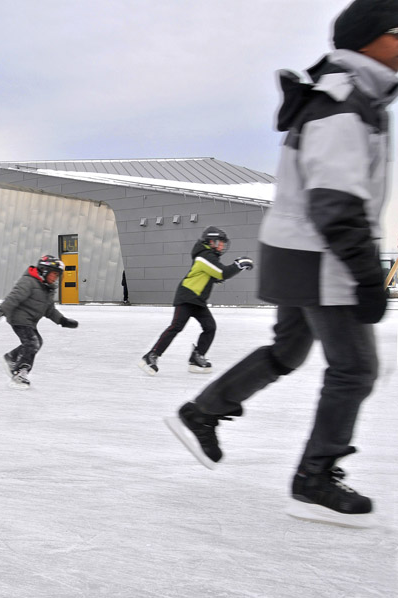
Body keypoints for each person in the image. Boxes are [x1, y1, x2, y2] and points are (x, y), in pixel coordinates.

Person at [165, 0, 394, 528]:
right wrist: (366, 274)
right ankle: (314, 477)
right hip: (319, 254)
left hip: (295, 248)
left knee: (288, 349)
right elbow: (335, 202)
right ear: (370, 39)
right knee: (355, 368)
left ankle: (203, 412)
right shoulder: (344, 102)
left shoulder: (346, 96)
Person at [138, 226, 253, 375]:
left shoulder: (210, 257)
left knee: (210, 327)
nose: (222, 246)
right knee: (176, 326)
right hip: (187, 296)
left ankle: (197, 357)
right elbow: (221, 273)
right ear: (211, 241)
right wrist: (238, 264)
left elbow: (215, 275)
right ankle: (151, 355)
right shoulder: (204, 256)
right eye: (220, 242)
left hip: (198, 301)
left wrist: (219, 276)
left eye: (223, 243)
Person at [0, 255, 79, 389]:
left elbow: (49, 310)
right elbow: (13, 298)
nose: (55, 278)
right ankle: (19, 373)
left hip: (29, 321)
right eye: (54, 274)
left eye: (57, 275)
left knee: (36, 342)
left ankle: (11, 357)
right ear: (44, 270)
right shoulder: (29, 282)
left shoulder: (47, 288)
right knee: (32, 342)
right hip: (18, 318)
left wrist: (62, 320)